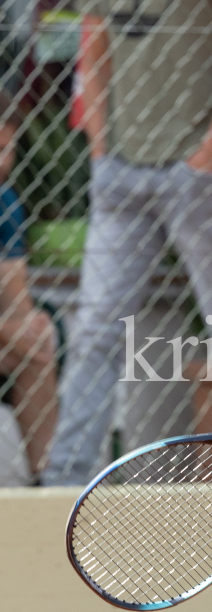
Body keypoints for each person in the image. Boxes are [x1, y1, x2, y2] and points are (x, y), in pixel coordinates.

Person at [42, 0, 212, 487]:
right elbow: (94, 55)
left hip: (201, 178)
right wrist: (101, 152)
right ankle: (64, 480)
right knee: (96, 329)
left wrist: (210, 152)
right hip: (121, 175)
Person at [0, 90, 58, 484]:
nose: (2, 161)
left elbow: (14, 290)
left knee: (37, 346)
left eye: (7, 148)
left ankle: (46, 482)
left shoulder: (4, 200)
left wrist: (27, 324)